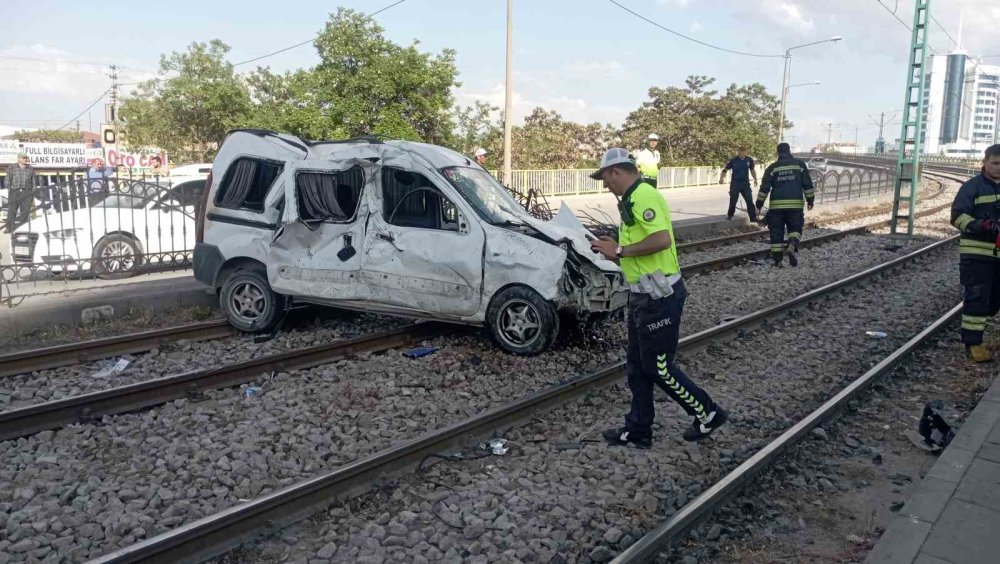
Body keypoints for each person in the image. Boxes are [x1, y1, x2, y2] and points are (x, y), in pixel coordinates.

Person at [589, 148, 728, 447]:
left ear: (616, 172)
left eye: (605, 178)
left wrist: (621, 250)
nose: (604, 184)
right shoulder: (631, 199)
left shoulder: (644, 196)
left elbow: (661, 239)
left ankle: (707, 412)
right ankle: (638, 429)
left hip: (659, 297)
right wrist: (613, 250)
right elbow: (637, 253)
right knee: (638, 367)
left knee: (658, 367)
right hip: (643, 296)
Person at [950, 144, 1000, 363]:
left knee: (993, 301)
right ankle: (973, 346)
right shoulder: (973, 187)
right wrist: (979, 225)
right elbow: (957, 216)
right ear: (985, 162)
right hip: (977, 255)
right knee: (977, 299)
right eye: (995, 163)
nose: (999, 168)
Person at [755, 143, 815, 267]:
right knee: (795, 229)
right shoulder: (800, 165)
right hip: (795, 206)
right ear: (789, 151)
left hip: (776, 208)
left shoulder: (772, 168)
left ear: (778, 153)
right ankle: (792, 245)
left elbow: (764, 188)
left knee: (776, 232)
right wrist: (810, 200)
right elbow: (807, 185)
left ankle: (778, 261)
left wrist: (759, 204)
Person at [719, 145, 759, 222]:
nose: (742, 154)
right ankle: (730, 215)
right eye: (740, 153)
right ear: (738, 152)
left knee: (749, 200)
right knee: (733, 200)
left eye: (744, 152)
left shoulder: (749, 160)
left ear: (746, 152)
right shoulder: (733, 160)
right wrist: (721, 178)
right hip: (735, 184)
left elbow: (752, 170)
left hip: (745, 184)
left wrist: (755, 179)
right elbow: (725, 170)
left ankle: (753, 218)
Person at [4, 152, 34, 234]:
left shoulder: (30, 168)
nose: (26, 159)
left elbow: (33, 181)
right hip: (15, 191)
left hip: (26, 192)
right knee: (12, 210)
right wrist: (10, 190)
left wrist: (32, 192)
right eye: (24, 158)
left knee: (25, 211)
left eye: (26, 158)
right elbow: (7, 179)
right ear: (19, 159)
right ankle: (9, 227)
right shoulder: (12, 167)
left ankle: (22, 228)